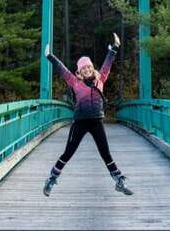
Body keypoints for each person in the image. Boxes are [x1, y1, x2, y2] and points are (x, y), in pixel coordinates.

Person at [42, 33, 133, 197]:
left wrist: (115, 47)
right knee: (68, 152)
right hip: (80, 122)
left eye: (89, 67)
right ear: (80, 71)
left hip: (97, 121)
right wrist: (50, 56)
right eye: (84, 68)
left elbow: (108, 63)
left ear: (92, 67)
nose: (87, 69)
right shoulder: (74, 81)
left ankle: (119, 180)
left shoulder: (101, 78)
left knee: (105, 152)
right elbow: (62, 69)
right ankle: (51, 178)